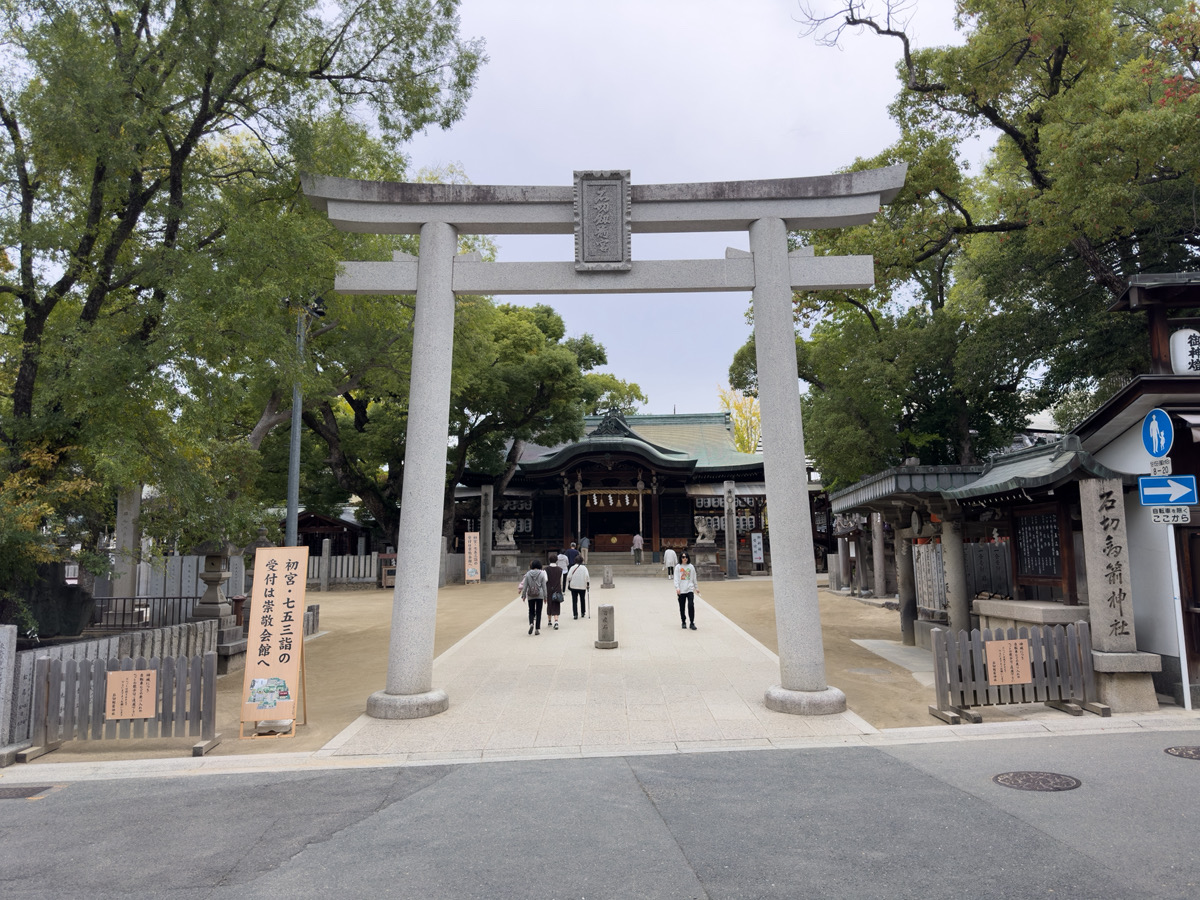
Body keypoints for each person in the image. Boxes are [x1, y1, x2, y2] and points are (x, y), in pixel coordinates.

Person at [520, 558, 547, 635]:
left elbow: (525, 586)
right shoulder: (542, 574)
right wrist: (545, 597)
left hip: (530, 594)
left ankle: (531, 623)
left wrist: (523, 595)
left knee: (531, 610)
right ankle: (537, 629)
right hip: (540, 594)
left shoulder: (528, 574)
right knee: (539, 612)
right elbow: (544, 586)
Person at [674, 550, 698, 630]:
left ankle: (692, 622)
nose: (685, 558)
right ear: (680, 558)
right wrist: (677, 588)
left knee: (691, 605)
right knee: (682, 606)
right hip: (681, 589)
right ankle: (683, 621)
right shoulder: (678, 567)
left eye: (686, 557)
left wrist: (696, 587)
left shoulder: (691, 567)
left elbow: (694, 577)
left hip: (689, 588)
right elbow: (676, 578)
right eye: (683, 557)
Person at [545, 555, 564, 630]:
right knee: (556, 604)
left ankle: (549, 620)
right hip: (557, 589)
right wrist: (561, 589)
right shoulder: (560, 570)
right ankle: (556, 621)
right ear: (556, 560)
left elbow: (545, 580)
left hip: (549, 589)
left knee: (549, 604)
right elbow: (561, 581)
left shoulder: (546, 569)